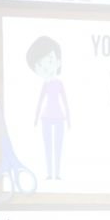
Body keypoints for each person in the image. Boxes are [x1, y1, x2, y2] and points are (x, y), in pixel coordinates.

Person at [26, 36, 70, 180]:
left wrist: (69, 119)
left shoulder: (59, 84)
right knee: (47, 147)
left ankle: (57, 174)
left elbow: (65, 102)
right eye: (40, 64)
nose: (45, 67)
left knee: (58, 146)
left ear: (59, 62)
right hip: (45, 118)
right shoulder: (45, 85)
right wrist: (35, 119)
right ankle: (50, 174)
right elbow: (40, 102)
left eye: (50, 60)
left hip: (59, 118)